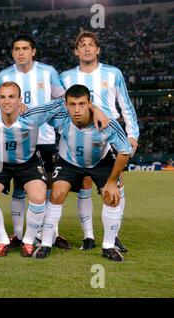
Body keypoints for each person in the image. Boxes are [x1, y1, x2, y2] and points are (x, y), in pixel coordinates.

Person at [0, 82, 108, 257]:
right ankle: (3, 241)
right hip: (0, 163)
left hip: (28, 162)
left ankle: (28, 241)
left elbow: (64, 101)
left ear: (20, 99)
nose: (7, 101)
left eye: (12, 97)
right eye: (2, 97)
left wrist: (96, 110)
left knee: (38, 195)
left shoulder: (33, 115)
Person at [60, 31, 139, 252]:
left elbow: (126, 105)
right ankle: (88, 236)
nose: (86, 48)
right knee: (84, 183)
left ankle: (113, 237)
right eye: (82, 45)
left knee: (116, 184)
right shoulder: (66, 77)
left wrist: (132, 134)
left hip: (110, 135)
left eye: (91, 44)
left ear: (98, 49)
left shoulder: (113, 73)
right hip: (79, 134)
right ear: (76, 51)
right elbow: (61, 106)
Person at [36, 84, 132, 262]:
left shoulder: (106, 123)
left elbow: (124, 152)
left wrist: (112, 182)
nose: (77, 109)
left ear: (90, 103)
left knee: (111, 196)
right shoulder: (59, 117)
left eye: (81, 104)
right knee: (57, 193)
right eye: (72, 104)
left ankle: (109, 246)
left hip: (100, 162)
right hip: (69, 161)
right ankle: (46, 243)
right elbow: (39, 112)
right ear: (65, 104)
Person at [0, 34, 69, 250]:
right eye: (16, 49)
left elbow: (61, 100)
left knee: (46, 189)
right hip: (15, 139)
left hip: (44, 138)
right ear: (12, 53)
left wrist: (54, 121)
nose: (20, 52)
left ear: (33, 51)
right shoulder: (5, 75)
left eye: (25, 48)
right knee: (18, 188)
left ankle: (50, 234)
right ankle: (18, 234)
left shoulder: (48, 72)